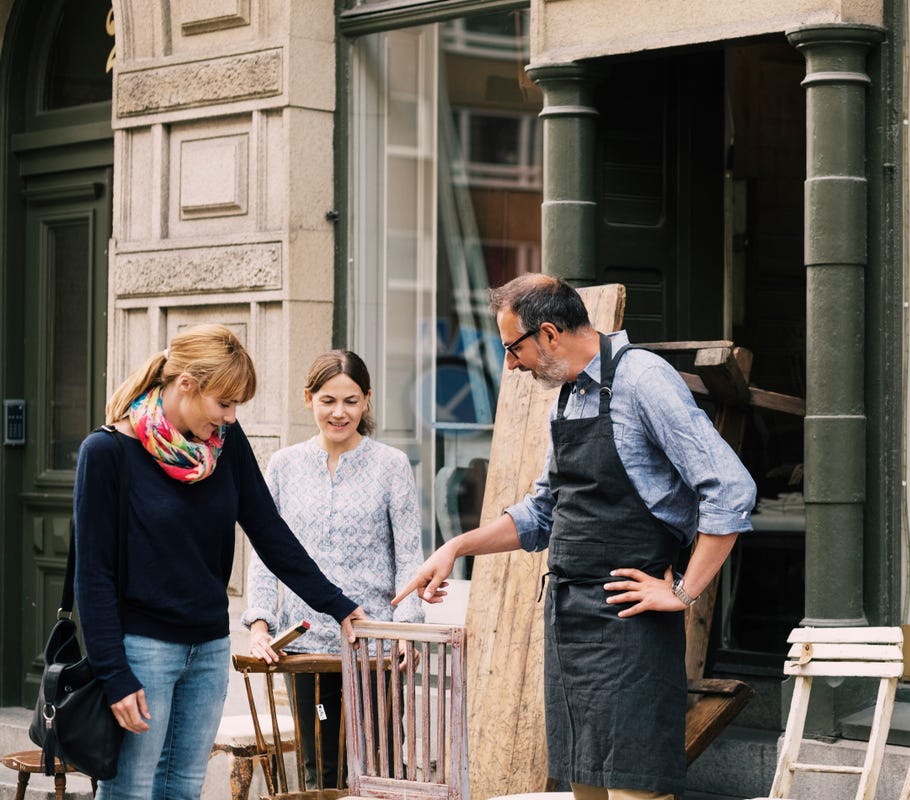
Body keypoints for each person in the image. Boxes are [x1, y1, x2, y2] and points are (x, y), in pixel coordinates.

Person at [397, 274, 757, 800]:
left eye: (512, 349)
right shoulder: (570, 396)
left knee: (637, 791)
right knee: (584, 788)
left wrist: (681, 592)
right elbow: (544, 511)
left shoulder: (643, 380)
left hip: (632, 626)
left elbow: (730, 488)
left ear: (547, 333)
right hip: (570, 619)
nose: (511, 365)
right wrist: (455, 547)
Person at [74, 324, 366, 800]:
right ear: (186, 384)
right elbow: (93, 576)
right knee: (129, 790)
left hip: (208, 647)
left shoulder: (224, 447)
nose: (230, 418)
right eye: (224, 403)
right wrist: (113, 674)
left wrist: (339, 605)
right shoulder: (107, 452)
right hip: (142, 650)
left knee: (184, 788)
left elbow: (271, 536)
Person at [242, 349, 425, 789]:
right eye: (328, 400)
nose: (339, 413)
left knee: (378, 767)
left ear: (366, 401)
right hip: (307, 651)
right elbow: (267, 554)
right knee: (319, 771)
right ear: (309, 400)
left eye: (350, 401)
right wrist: (260, 624)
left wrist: (407, 628)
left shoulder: (391, 466)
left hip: (374, 652)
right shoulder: (284, 466)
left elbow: (409, 558)